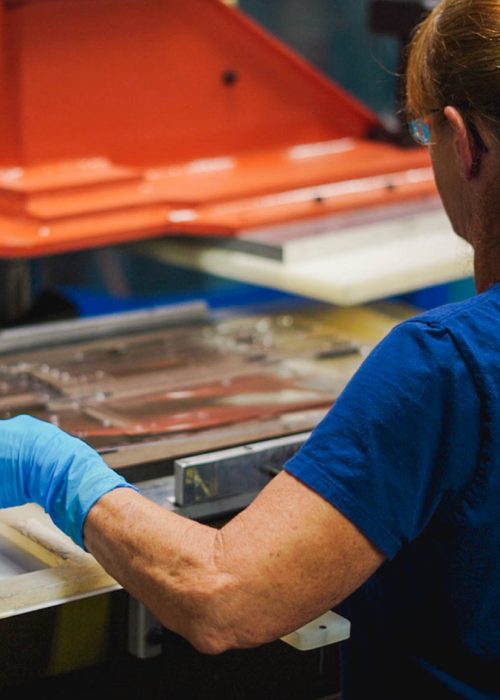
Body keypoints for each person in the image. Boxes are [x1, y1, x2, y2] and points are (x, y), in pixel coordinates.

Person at [1, 1, 499, 697]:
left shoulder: (446, 365)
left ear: (464, 140)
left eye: (423, 134)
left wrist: (57, 471)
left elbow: (224, 596)